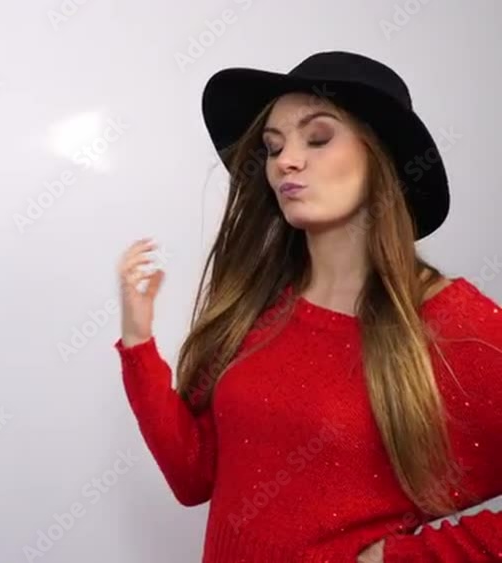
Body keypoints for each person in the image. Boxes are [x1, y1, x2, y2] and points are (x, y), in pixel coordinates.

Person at [114, 51, 502, 562]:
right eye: (273, 147)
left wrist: (402, 558)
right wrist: (138, 343)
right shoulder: (257, 310)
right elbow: (192, 476)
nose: (285, 161)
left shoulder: (452, 323)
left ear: (380, 156)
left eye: (317, 138)